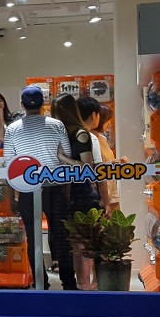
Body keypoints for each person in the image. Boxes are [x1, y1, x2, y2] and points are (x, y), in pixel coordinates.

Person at [3, 86, 76, 290]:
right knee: (61, 237)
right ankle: (69, 282)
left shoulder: (12, 129)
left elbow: (9, 166)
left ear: (22, 105)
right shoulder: (57, 125)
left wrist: (12, 197)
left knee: (33, 237)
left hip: (27, 189)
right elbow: (66, 159)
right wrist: (67, 190)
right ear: (44, 104)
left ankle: (40, 282)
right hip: (55, 187)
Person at [55, 94, 104, 291]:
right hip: (68, 194)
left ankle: (93, 284)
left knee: (89, 240)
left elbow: (87, 167)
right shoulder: (63, 135)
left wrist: (62, 158)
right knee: (76, 243)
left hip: (82, 194)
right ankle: (83, 283)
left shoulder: (81, 135)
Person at [95, 104, 121, 214]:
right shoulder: (91, 139)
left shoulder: (103, 139)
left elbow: (106, 162)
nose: (109, 123)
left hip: (112, 192)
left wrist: (117, 162)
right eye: (107, 120)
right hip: (102, 195)